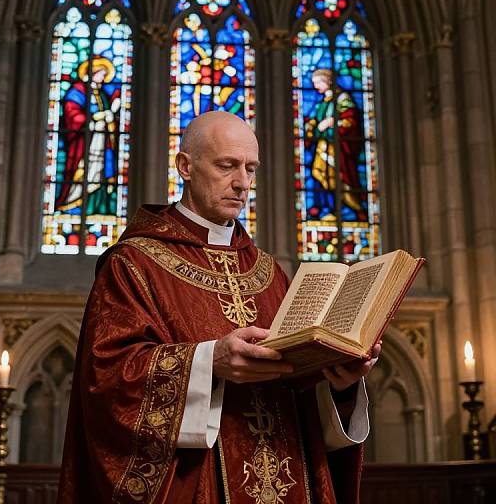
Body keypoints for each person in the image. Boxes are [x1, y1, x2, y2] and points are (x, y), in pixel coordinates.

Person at [57, 111, 380, 503]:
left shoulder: (269, 272)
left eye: (250, 169)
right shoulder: (133, 263)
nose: (242, 183)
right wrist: (209, 362)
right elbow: (106, 381)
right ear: (185, 167)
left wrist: (339, 382)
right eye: (227, 165)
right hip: (197, 485)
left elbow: (298, 386)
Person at [56, 56, 120, 216]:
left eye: (105, 75)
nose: (103, 78)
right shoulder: (78, 91)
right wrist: (93, 119)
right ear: (92, 73)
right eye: (101, 74)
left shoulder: (102, 94)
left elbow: (109, 117)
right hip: (83, 143)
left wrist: (111, 114)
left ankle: (96, 206)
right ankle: (73, 203)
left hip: (101, 142)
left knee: (99, 173)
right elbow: (72, 114)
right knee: (83, 172)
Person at [305, 69, 367, 222]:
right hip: (323, 145)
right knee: (319, 173)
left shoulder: (342, 98)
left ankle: (353, 210)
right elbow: (316, 120)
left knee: (339, 178)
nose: (316, 86)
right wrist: (312, 127)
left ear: (328, 81)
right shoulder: (324, 101)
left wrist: (332, 122)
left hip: (337, 148)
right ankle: (327, 209)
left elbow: (350, 120)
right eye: (314, 84)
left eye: (318, 83)